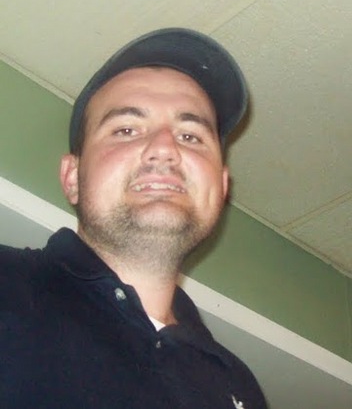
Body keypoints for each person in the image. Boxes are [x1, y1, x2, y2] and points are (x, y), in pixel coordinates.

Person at [0, 28, 268, 408]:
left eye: (191, 136)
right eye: (126, 130)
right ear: (73, 177)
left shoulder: (239, 385)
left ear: (222, 186)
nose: (164, 148)